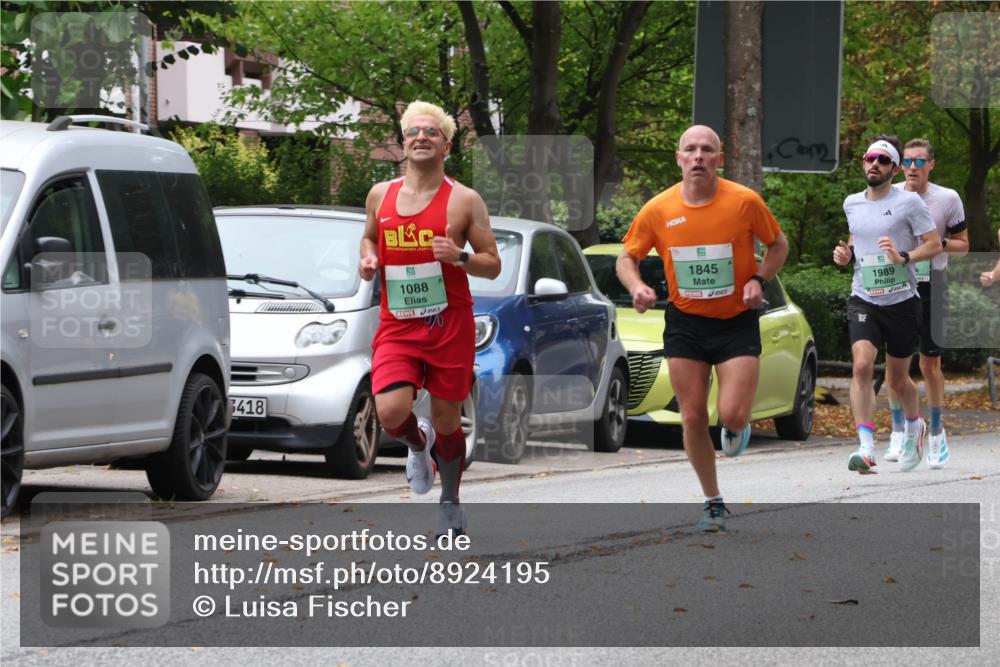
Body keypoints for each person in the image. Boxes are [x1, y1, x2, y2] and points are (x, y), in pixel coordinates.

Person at [616, 125, 788, 532]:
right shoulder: (658, 209)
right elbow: (627, 257)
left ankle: (735, 427)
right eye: (690, 150)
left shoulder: (745, 202)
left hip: (736, 322)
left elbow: (778, 245)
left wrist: (759, 280)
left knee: (731, 415)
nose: (698, 157)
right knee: (692, 418)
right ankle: (713, 501)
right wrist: (638, 286)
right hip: (686, 323)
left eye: (706, 150)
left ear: (719, 158)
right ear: (678, 159)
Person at [359, 100, 501, 537]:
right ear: (403, 143)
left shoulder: (464, 200)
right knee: (390, 410)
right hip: (399, 324)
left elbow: (492, 263)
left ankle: (450, 503)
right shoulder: (380, 195)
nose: (422, 136)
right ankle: (418, 444)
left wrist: (459, 257)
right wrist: (368, 260)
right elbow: (368, 238)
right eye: (414, 131)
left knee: (447, 419)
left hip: (448, 323)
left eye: (432, 132)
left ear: (447, 145)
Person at [832, 135, 941, 475]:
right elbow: (857, 239)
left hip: (902, 301)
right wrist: (845, 255)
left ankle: (914, 426)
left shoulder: (909, 203)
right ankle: (865, 447)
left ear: (894, 168)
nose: (874, 164)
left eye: (882, 160)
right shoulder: (852, 203)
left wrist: (903, 256)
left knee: (896, 380)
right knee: (862, 366)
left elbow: (934, 244)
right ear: (864, 164)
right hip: (864, 297)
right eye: (869, 158)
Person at [883, 138, 968, 469]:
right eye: (908, 162)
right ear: (900, 165)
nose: (913, 167)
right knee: (895, 365)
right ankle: (899, 429)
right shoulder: (888, 196)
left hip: (933, 284)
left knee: (929, 364)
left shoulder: (947, 199)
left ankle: (935, 432)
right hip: (896, 285)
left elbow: (963, 244)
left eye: (920, 162)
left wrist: (937, 243)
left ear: (931, 165)